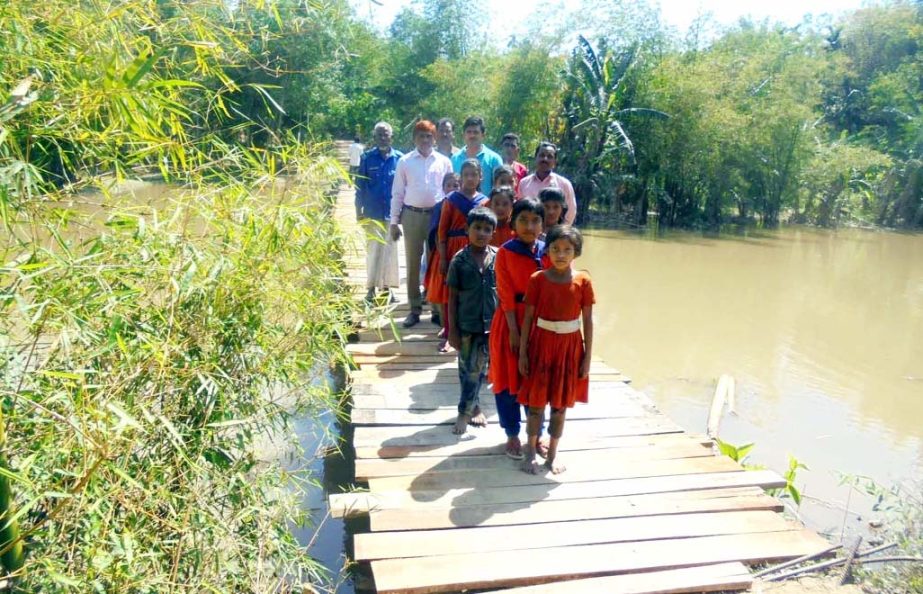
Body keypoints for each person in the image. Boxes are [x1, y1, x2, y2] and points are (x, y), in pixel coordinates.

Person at [517, 225, 594, 474]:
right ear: (547, 250)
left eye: (567, 250)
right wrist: (523, 352)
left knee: (560, 406)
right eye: (555, 249)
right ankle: (529, 450)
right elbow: (528, 318)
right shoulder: (537, 279)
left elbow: (588, 321)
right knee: (536, 405)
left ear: (576, 252)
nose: (561, 254)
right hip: (541, 345)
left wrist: (587, 359)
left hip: (569, 348)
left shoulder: (583, 281)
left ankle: (552, 454)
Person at [488, 198, 545, 460]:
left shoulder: (547, 252)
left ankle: (538, 435)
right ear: (512, 223)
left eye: (535, 221)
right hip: (511, 322)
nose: (529, 226)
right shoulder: (505, 252)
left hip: (540, 324)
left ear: (543, 225)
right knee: (509, 381)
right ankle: (512, 434)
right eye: (523, 220)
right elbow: (506, 294)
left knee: (537, 381)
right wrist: (514, 331)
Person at [390, 120, 454, 327]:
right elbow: (397, 192)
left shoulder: (444, 162)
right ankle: (414, 308)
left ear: (435, 138)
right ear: (414, 138)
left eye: (429, 136)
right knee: (413, 263)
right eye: (421, 136)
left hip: (437, 215)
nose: (425, 140)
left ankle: (436, 308)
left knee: (435, 263)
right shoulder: (405, 161)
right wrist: (393, 221)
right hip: (412, 215)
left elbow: (451, 190)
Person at [446, 206, 498, 435]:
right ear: (467, 229)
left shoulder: (498, 257)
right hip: (467, 325)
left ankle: (469, 407)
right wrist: (452, 330)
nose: (481, 233)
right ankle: (467, 408)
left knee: (479, 369)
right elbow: (452, 298)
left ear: (493, 233)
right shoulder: (459, 261)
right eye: (477, 228)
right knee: (467, 369)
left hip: (492, 326)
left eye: (487, 229)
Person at [427, 159, 488, 351]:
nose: (470, 179)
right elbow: (442, 231)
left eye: (474, 175)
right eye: (466, 175)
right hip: (453, 248)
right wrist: (443, 258)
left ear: (480, 177)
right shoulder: (451, 200)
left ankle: (469, 332)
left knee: (470, 290)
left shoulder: (484, 201)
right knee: (449, 293)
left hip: (475, 247)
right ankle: (448, 333)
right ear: (461, 177)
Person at [355, 122, 403, 303]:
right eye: (379, 135)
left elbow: (404, 189)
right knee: (373, 250)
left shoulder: (400, 159)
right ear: (374, 137)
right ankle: (370, 289)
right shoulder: (367, 158)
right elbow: (359, 187)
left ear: (392, 137)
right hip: (371, 213)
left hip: (392, 215)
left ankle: (387, 289)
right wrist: (357, 210)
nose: (383, 138)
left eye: (386, 134)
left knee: (391, 251)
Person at [425, 172, 460, 328]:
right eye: (449, 185)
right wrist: (441, 253)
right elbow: (435, 231)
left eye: (456, 185)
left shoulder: (463, 203)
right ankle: (441, 319)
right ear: (443, 187)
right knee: (443, 287)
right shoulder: (439, 206)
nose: (452, 188)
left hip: (460, 249)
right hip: (443, 250)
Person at [519, 142, 578, 225]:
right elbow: (520, 210)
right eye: (542, 155)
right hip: (530, 232)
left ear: (555, 162)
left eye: (549, 156)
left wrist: (561, 232)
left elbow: (570, 212)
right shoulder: (524, 183)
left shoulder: (564, 184)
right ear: (536, 158)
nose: (545, 159)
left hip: (556, 233)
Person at [452, 116, 503, 196]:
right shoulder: (455, 159)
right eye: (469, 132)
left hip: (485, 206)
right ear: (464, 135)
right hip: (458, 206)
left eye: (476, 132)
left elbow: (499, 189)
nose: (472, 135)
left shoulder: (494, 159)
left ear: (483, 135)